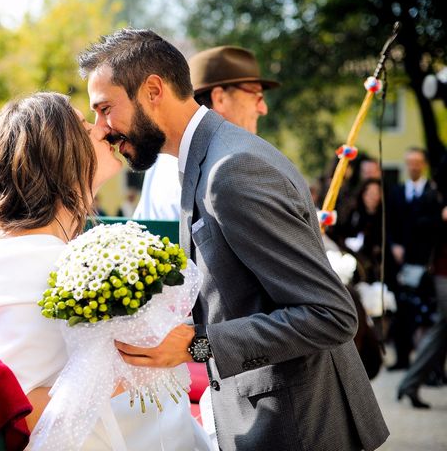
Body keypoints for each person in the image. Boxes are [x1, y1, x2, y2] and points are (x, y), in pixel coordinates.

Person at [79, 28, 389, 451]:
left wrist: (198, 344)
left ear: (153, 89)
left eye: (105, 109)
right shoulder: (204, 159)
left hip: (300, 428)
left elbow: (330, 314)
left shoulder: (231, 169)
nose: (102, 129)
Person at [0, 92, 210, 450]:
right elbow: (39, 400)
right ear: (62, 155)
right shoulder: (60, 266)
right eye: (87, 127)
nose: (103, 130)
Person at [133, 45, 279, 220]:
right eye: (257, 96)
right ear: (220, 99)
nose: (263, 109)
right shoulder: (227, 165)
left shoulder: (163, 159)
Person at [387, 147, 441, 370]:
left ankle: (430, 366)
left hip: (427, 262)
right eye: (409, 162)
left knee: (428, 315)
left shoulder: (433, 193)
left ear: (424, 164)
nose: (413, 166)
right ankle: (402, 359)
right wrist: (394, 246)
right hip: (402, 261)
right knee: (403, 311)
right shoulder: (397, 192)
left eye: (417, 162)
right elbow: (390, 223)